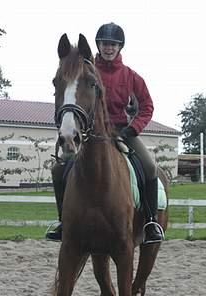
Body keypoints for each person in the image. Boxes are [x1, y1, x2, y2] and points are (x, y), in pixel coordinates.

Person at [46, 22, 164, 244]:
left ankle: (150, 222)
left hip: (122, 131)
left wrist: (133, 128)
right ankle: (64, 222)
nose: (108, 48)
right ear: (98, 46)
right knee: (58, 168)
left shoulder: (131, 76)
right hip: (90, 132)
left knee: (149, 166)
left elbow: (147, 106)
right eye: (104, 44)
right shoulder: (88, 70)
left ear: (120, 47)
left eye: (113, 44)